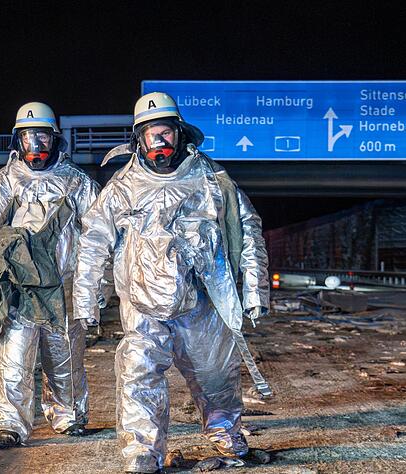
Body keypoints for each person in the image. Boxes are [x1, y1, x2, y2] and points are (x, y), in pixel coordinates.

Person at [73, 92, 270, 473]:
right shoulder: (121, 188)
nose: (159, 143)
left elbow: (247, 231)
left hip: (203, 302)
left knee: (217, 376)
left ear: (179, 134)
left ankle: (226, 433)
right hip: (144, 306)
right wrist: (86, 300)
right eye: (151, 135)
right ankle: (142, 452)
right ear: (138, 140)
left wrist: (254, 291)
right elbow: (93, 242)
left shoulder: (213, 181)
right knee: (137, 373)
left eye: (165, 133)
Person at [0, 102, 99, 447]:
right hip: (17, 291)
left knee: (65, 361)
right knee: (13, 360)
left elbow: (98, 237)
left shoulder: (77, 184)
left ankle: (68, 417)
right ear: (17, 140)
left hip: (63, 290)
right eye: (28, 139)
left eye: (41, 138)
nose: (35, 147)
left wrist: (96, 288)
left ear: (55, 139)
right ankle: (8, 423)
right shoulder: (3, 184)